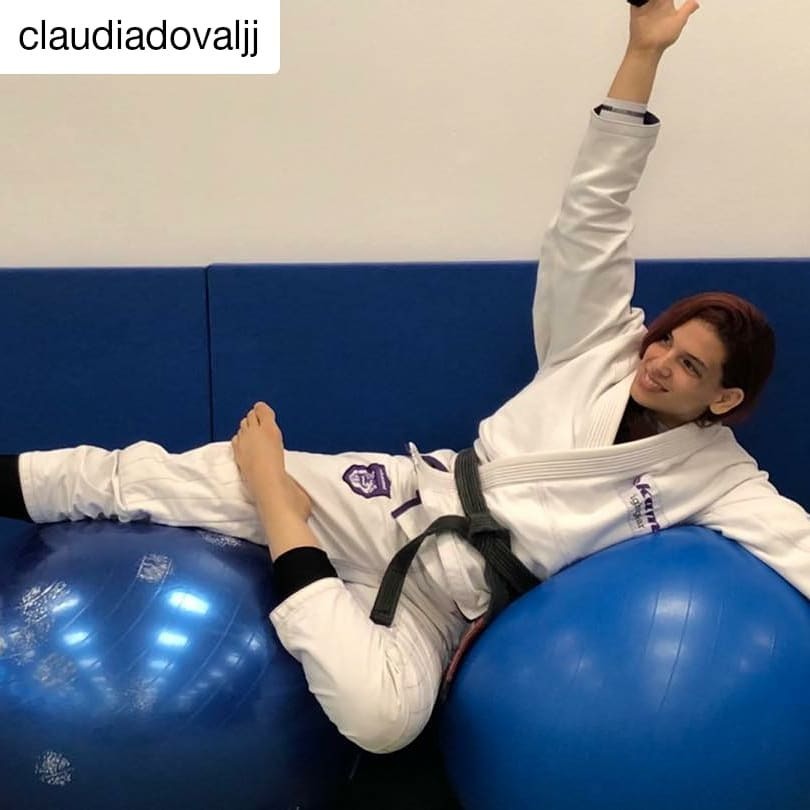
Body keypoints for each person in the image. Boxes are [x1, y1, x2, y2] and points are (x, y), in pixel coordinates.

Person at [3, 0, 806, 755]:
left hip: (452, 600)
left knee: (384, 721)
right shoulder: (601, 342)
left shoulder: (720, 480)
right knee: (172, 479)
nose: (658, 362)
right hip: (391, 503)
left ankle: (281, 511)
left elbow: (798, 548)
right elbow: (593, 212)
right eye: (665, 342)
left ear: (725, 398)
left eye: (689, 365)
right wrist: (642, 54)